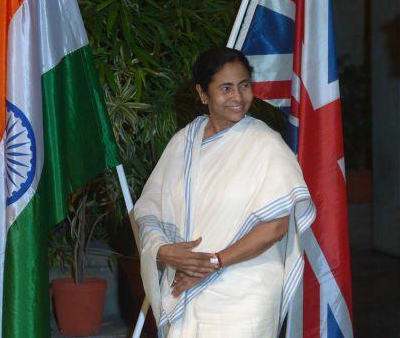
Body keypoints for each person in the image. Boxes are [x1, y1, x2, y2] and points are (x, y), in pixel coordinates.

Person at [133, 47, 315, 337]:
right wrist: (165, 251)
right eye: (226, 88)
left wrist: (211, 263)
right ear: (203, 94)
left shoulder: (265, 145)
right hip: (184, 283)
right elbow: (149, 208)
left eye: (244, 86)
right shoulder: (184, 143)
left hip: (244, 292)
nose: (238, 97)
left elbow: (276, 226)